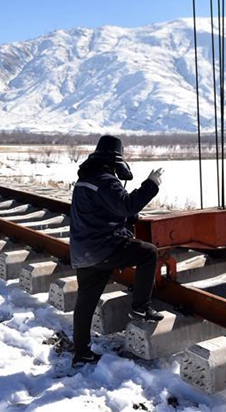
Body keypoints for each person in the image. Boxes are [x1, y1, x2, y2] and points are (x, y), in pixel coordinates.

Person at [69, 135, 164, 367]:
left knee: (85, 303)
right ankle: (140, 308)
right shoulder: (106, 181)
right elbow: (127, 204)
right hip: (103, 248)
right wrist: (151, 184)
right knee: (148, 253)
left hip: (83, 252)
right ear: (115, 161)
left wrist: (127, 216)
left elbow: (106, 208)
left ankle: (81, 352)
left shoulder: (85, 181)